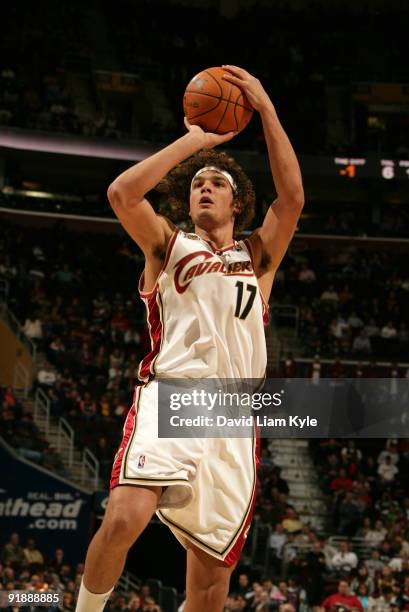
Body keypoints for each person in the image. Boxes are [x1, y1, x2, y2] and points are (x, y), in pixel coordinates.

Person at [75, 65, 304, 612]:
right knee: (125, 516)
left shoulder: (258, 258)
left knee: (209, 586)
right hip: (174, 396)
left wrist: (267, 110)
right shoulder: (168, 246)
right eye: (198, 182)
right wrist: (197, 141)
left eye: (217, 183)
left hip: (234, 418)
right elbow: (122, 193)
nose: (205, 187)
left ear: (237, 204)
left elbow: (291, 198)